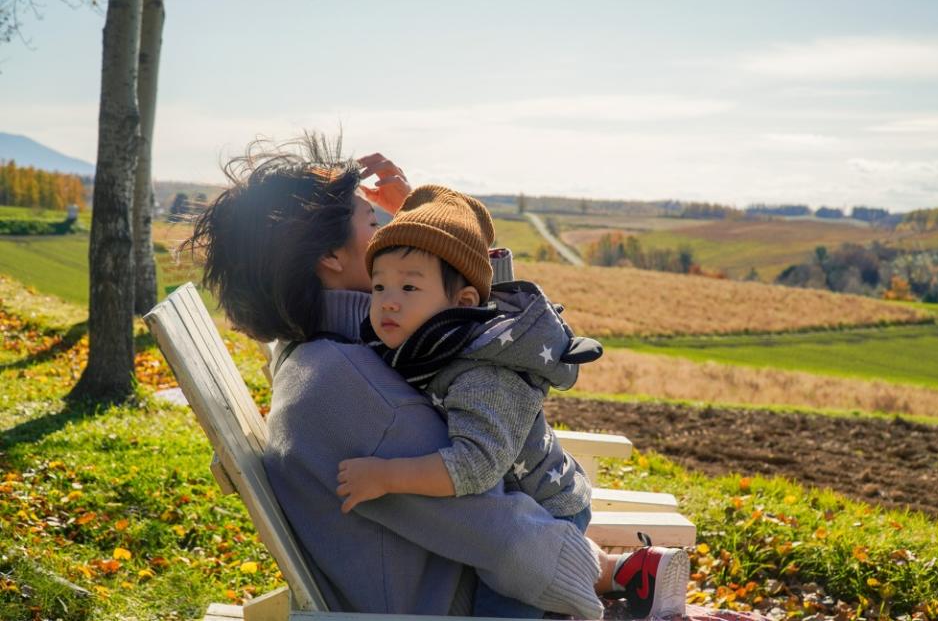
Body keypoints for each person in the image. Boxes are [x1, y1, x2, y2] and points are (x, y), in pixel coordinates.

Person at [182, 134, 686, 619]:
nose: (387, 230)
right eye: (372, 220)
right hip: (456, 603)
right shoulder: (346, 390)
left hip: (451, 570)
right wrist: (593, 576)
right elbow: (501, 534)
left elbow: (471, 326)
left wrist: (423, 231)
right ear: (330, 258)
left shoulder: (348, 345)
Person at [336, 185, 671, 618]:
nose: (387, 302)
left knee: (502, 607)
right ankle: (631, 572)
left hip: (544, 517)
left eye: (408, 287)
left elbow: (475, 465)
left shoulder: (482, 372)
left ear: (464, 303)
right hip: (515, 506)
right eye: (378, 286)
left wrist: (386, 477)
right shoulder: (429, 342)